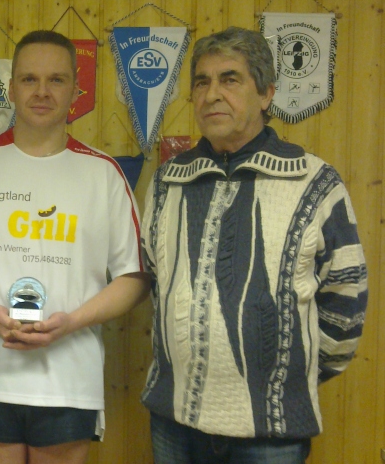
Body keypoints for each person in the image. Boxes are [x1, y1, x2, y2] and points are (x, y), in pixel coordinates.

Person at [140, 26, 368, 463]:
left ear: (266, 94)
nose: (212, 95)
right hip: (173, 420)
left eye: (230, 79)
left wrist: (287, 377)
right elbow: (155, 282)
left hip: (271, 433)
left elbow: (347, 300)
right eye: (202, 82)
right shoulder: (169, 181)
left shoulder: (315, 182)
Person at [0, 30, 150, 464]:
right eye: (29, 79)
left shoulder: (104, 174)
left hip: (68, 381)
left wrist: (71, 322)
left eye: (56, 80)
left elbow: (134, 277)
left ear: (75, 90)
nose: (42, 91)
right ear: (11, 87)